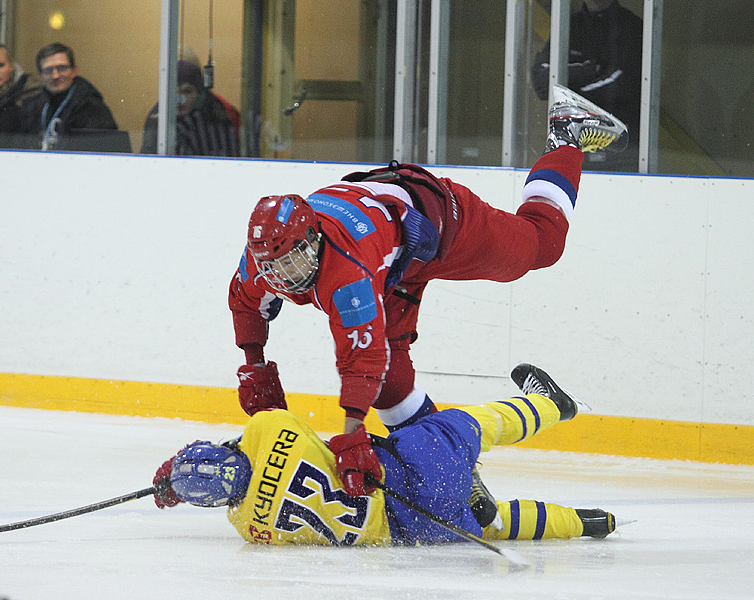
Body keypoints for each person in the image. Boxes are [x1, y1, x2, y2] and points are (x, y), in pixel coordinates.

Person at [228, 84, 627, 499]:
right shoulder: (263, 260)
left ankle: (566, 135)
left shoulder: (346, 271)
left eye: (292, 259)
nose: (283, 274)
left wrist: (352, 435)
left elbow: (362, 359)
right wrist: (254, 364)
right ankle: (454, 473)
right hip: (392, 266)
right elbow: (242, 301)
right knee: (391, 387)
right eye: (272, 266)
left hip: (441, 225)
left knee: (543, 246)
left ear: (314, 238)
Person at [151, 363, 621, 546]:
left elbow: (244, 492)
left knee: (495, 523)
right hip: (409, 469)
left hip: (410, 527)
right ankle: (552, 405)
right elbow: (279, 424)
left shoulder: (248, 527)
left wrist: (180, 485)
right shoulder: (266, 431)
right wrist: (176, 469)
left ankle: (585, 523)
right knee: (474, 425)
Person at [530, 0, 642, 171]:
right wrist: (590, 70)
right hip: (574, 148)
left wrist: (569, 95)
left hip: (621, 152)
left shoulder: (630, 27)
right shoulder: (569, 25)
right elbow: (541, 81)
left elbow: (622, 84)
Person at [19, 42, 118, 151]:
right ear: (40, 75)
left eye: (61, 68)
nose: (55, 76)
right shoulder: (32, 106)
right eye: (48, 71)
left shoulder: (91, 107)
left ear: (74, 71)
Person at [139, 60, 240, 157]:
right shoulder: (158, 118)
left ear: (199, 94)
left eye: (187, 91)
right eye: (174, 91)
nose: (180, 99)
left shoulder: (216, 116)